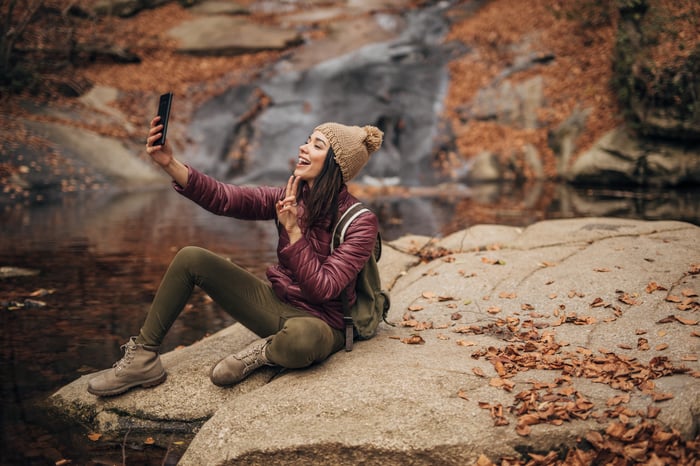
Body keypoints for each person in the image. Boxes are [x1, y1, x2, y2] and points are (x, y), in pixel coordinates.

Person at [86, 115, 384, 396]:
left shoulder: (360, 222)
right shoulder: (288, 196)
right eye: (308, 140)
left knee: (302, 338)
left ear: (336, 165)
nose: (303, 147)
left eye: (317, 145)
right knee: (191, 258)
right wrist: (169, 163)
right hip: (279, 303)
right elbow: (225, 198)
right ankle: (143, 358)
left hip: (323, 323)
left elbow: (324, 288)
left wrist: (293, 232)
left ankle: (262, 354)